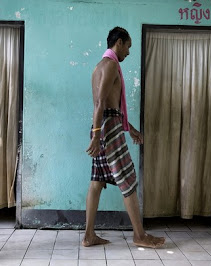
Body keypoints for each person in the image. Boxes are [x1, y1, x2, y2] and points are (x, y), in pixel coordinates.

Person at [84, 27, 165, 249]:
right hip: (107, 129)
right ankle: (139, 235)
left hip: (104, 126)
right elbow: (102, 104)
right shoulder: (111, 65)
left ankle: (89, 235)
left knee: (97, 182)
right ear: (119, 43)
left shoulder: (98, 67)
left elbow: (110, 107)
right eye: (128, 46)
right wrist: (97, 135)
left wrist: (130, 129)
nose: (128, 52)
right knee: (128, 180)